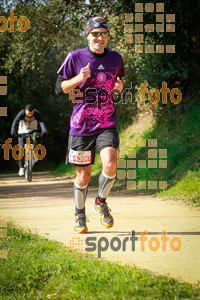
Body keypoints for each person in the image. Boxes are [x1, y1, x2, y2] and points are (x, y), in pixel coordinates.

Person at [55, 17, 125, 233]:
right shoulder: (75, 57)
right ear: (88, 35)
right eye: (95, 33)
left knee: (111, 163)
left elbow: (115, 87)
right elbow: (59, 88)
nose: (100, 37)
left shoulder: (116, 58)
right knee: (83, 175)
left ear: (108, 36)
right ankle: (79, 214)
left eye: (104, 33)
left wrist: (117, 91)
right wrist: (78, 78)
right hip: (81, 126)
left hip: (106, 122)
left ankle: (100, 202)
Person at [11, 104, 47, 176]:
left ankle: (35, 154)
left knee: (38, 137)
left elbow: (41, 122)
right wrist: (13, 131)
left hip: (33, 131)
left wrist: (44, 130)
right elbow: (15, 121)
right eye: (28, 114)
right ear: (25, 111)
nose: (30, 115)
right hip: (22, 132)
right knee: (21, 149)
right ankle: (21, 167)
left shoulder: (36, 113)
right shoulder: (21, 113)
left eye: (31, 113)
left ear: (33, 111)